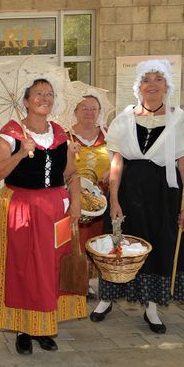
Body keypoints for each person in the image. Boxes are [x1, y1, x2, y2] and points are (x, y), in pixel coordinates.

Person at [90, 59, 184, 332]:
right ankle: (107, 298)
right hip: (129, 192)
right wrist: (114, 200)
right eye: (146, 80)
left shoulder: (180, 119)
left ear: (167, 85)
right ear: (137, 86)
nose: (151, 85)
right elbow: (117, 163)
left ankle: (152, 307)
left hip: (164, 195)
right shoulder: (124, 119)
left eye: (158, 79)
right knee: (120, 246)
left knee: (159, 244)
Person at [0, 77, 86, 355]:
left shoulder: (60, 133)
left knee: (52, 267)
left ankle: (44, 326)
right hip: (22, 208)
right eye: (38, 94)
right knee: (23, 268)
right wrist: (20, 154)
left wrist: (76, 203)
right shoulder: (9, 134)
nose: (45, 98)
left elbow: (71, 173)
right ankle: (23, 327)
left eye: (49, 94)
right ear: (26, 101)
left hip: (56, 210)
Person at [69, 94, 111, 296]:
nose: (89, 112)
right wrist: (67, 153)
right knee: (75, 241)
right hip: (75, 199)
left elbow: (122, 160)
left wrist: (114, 171)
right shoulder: (65, 137)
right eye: (83, 108)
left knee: (99, 241)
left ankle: (100, 285)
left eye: (93, 108)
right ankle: (78, 283)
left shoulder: (109, 135)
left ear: (99, 112)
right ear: (75, 112)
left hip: (102, 200)